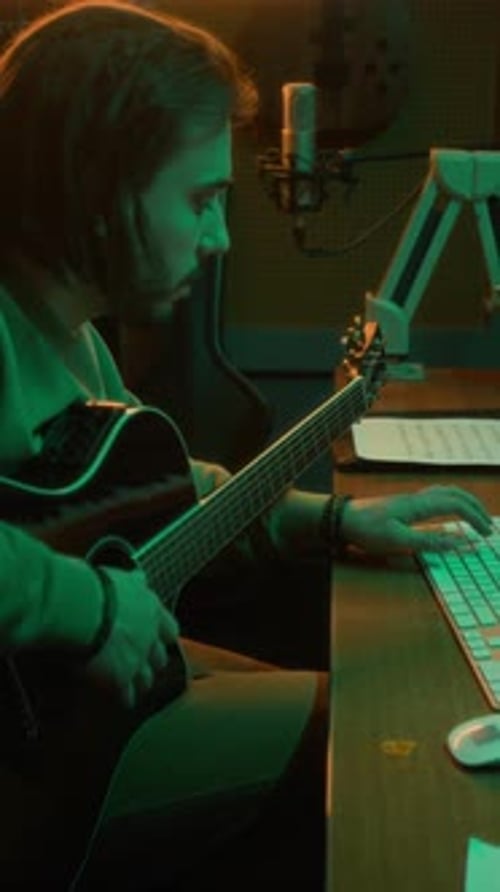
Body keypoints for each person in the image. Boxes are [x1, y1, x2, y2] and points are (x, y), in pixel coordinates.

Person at [0, 2, 493, 890]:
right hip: (29, 777)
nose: (222, 236)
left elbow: (150, 492)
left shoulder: (70, 330)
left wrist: (336, 519)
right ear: (95, 178)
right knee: (378, 753)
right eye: (201, 199)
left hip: (104, 697)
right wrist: (91, 609)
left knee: (371, 699)